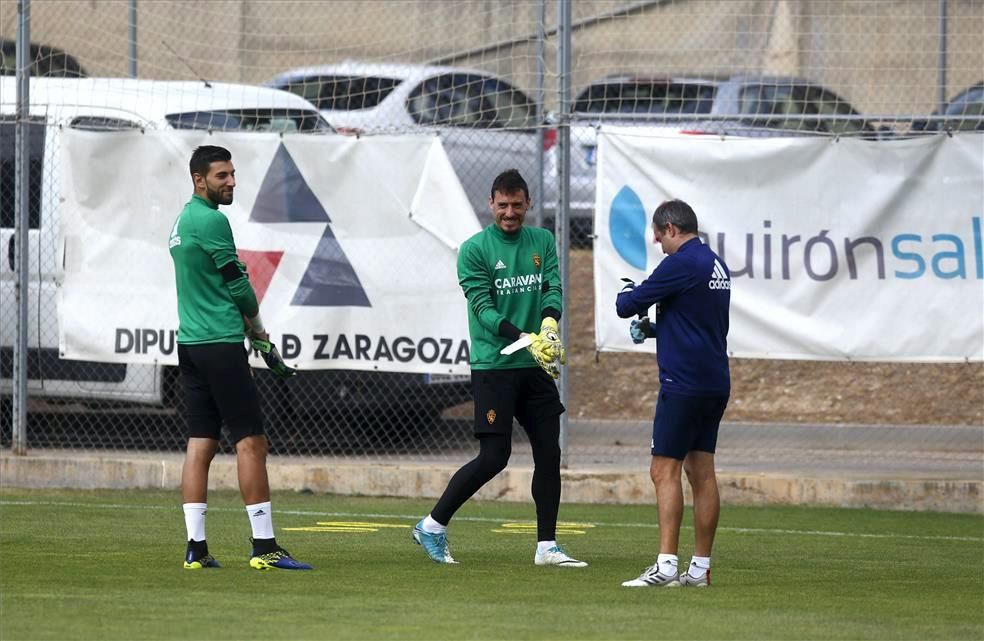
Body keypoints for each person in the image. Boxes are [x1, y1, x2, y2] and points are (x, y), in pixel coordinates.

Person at [411, 169, 585, 568]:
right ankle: (432, 526)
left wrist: (549, 325)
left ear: (528, 204)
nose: (510, 212)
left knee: (549, 452)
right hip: (494, 364)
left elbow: (552, 287)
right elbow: (483, 309)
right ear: (491, 204)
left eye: (517, 204)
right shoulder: (474, 249)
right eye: (502, 205)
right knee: (495, 456)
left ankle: (547, 547)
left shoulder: (542, 240)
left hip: (533, 364)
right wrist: (525, 335)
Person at [168, 145, 310, 571]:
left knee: (200, 445)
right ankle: (263, 547)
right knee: (251, 441)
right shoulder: (212, 220)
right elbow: (238, 287)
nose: (231, 181)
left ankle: (196, 549)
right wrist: (260, 333)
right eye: (221, 176)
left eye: (232, 173)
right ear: (199, 180)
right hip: (220, 345)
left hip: (191, 345)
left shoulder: (182, 220)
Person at [614, 199, 731, 588]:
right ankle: (699, 570)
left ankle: (665, 566)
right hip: (714, 381)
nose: (656, 241)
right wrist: (652, 331)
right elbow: (695, 322)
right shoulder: (715, 264)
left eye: (658, 234)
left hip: (682, 384)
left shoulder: (680, 262)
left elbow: (627, 305)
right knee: (702, 472)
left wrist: (629, 294)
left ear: (670, 228)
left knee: (663, 470)